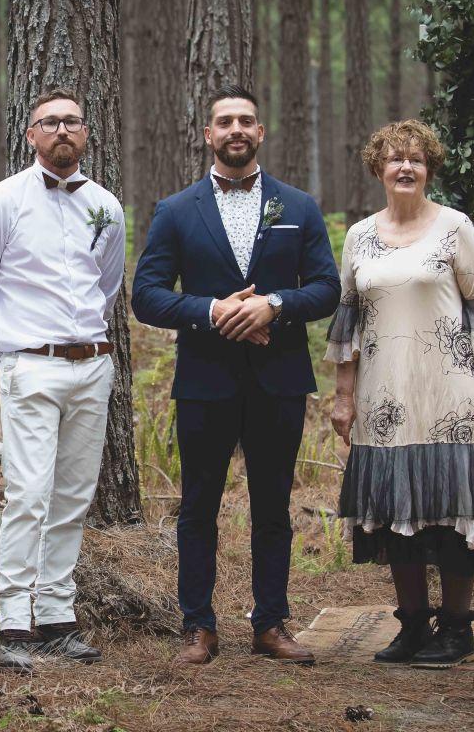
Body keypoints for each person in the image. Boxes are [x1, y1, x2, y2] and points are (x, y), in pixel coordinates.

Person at [131, 84, 339, 666]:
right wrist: (212, 311)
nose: (236, 130)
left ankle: (270, 624)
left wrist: (274, 304)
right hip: (206, 380)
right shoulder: (176, 210)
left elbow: (327, 287)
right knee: (198, 507)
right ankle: (198, 626)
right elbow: (146, 295)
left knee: (273, 507)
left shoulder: (298, 207)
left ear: (260, 132)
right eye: (225, 121)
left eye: (246, 120)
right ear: (208, 134)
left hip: (279, 380)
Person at [326, 119, 474, 668]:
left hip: (451, 393)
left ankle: (455, 629)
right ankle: (411, 626)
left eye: (416, 159)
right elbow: (348, 323)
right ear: (378, 168)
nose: (405, 167)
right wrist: (343, 396)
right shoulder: (359, 236)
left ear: (429, 169)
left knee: (453, 507)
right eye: (395, 158)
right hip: (384, 397)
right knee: (393, 509)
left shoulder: (455, 228)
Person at [0, 87, 125, 674]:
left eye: (72, 121)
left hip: (92, 365)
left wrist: (83, 346)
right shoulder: (1, 203)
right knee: (29, 494)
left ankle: (57, 617)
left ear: (86, 133)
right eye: (49, 122)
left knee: (73, 496)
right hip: (30, 364)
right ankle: (12, 622)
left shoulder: (106, 206)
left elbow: (107, 287)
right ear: (31, 135)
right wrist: (11, 356)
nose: (61, 131)